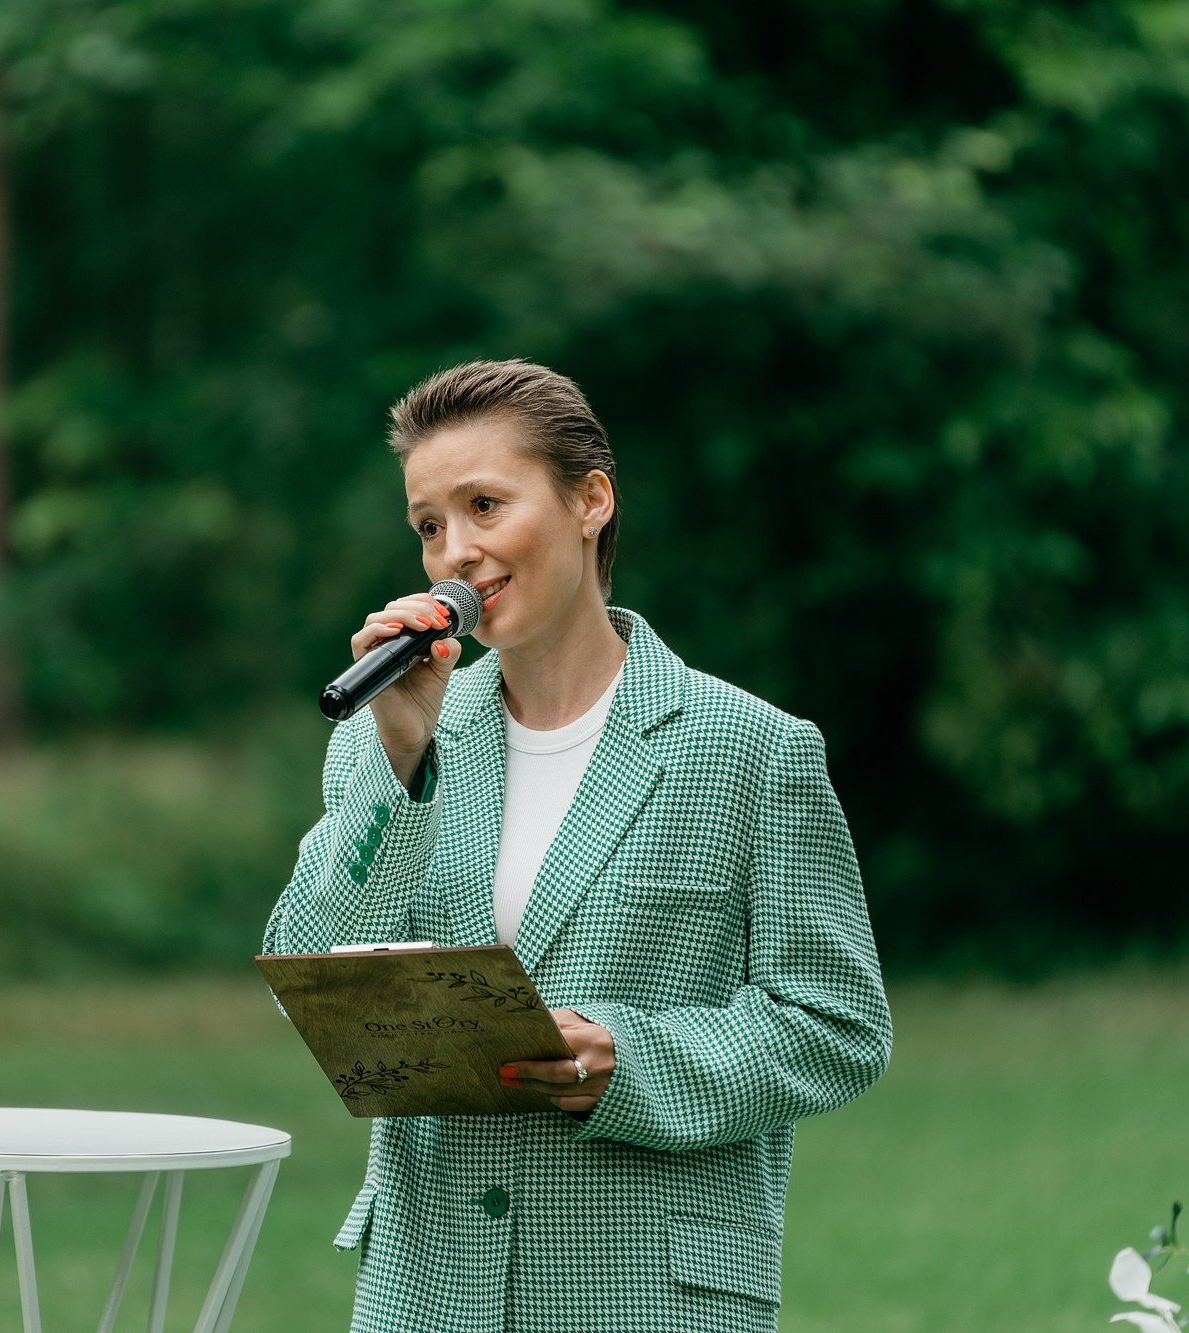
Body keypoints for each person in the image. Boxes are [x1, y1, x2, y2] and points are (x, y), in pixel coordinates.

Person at [263, 359, 891, 1333]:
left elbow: (835, 1024)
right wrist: (397, 752)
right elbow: (308, 966)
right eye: (428, 525)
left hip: (647, 1289)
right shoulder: (388, 735)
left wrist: (626, 1058)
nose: (454, 554)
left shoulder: (751, 750)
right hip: (427, 1292)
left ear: (589, 501)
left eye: (483, 505)